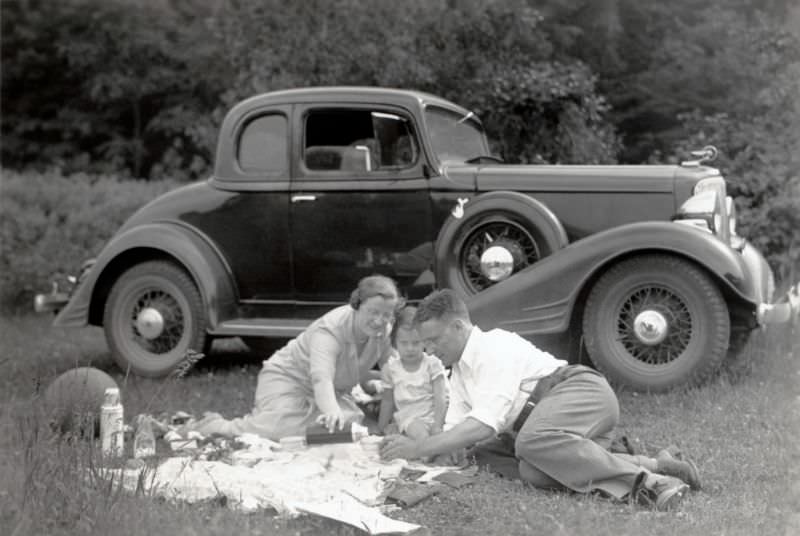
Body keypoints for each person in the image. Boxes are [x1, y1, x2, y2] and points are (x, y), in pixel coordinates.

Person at [380, 289, 701, 510]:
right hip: (551, 426)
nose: (430, 351)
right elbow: (456, 435)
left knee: (529, 443)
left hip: (580, 392)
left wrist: (420, 448)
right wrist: (418, 451)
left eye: (434, 340)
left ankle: (649, 483)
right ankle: (662, 464)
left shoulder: (494, 346)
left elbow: (482, 424)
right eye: (426, 344)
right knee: (520, 467)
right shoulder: (459, 373)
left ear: (459, 325)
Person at [191, 275, 401, 440]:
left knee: (351, 426)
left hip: (331, 391)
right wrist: (332, 412)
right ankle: (217, 426)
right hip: (288, 381)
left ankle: (335, 414)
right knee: (281, 429)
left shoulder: (383, 330)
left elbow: (390, 364)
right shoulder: (330, 332)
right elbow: (321, 379)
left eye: (386, 315)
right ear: (357, 305)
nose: (379, 320)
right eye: (373, 312)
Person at [377, 306, 448, 441]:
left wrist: (438, 426)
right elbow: (387, 401)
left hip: (435, 416)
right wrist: (381, 427)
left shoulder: (432, 364)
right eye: (404, 343)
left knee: (450, 434)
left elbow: (441, 398)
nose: (410, 348)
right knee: (418, 433)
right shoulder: (391, 369)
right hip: (409, 418)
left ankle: (430, 448)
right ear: (394, 343)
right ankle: (428, 451)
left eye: (416, 343)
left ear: (425, 341)